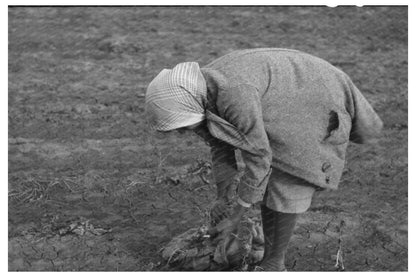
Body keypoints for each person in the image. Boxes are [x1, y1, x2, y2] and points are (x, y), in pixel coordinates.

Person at [145, 48, 383, 271]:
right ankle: (265, 249)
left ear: (188, 105)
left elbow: (259, 157)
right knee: (268, 185)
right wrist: (223, 198)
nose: (182, 133)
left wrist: (236, 215)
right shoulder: (200, 92)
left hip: (314, 96)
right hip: (289, 95)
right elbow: (220, 147)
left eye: (181, 126)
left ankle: (273, 265)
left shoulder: (232, 94)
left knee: (288, 179)